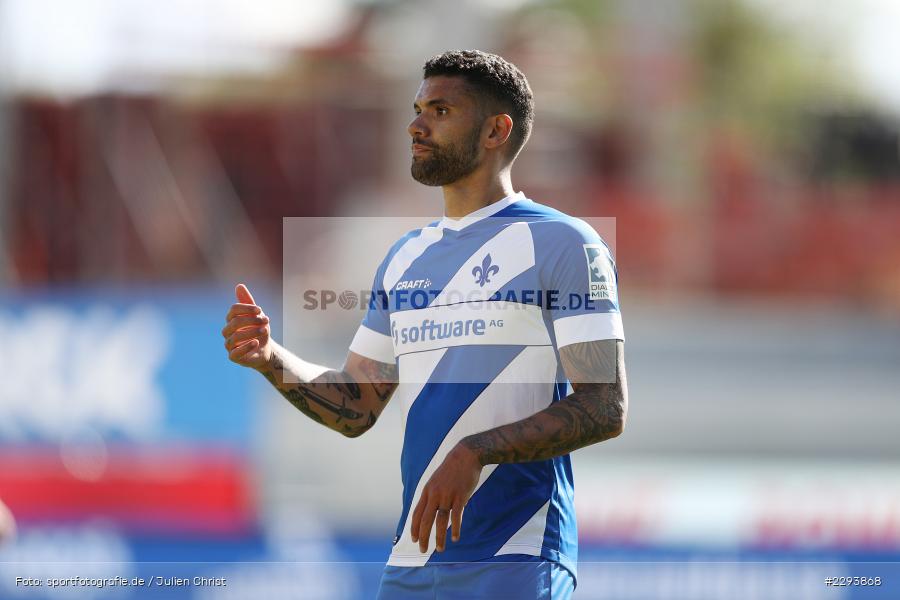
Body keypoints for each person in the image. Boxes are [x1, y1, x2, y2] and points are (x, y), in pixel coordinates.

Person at [222, 50, 627, 599]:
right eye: (417, 109)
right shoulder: (404, 257)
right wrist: (272, 359)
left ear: (495, 130)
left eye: (440, 111)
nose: (415, 125)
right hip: (412, 562)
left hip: (516, 555)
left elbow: (605, 405)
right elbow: (357, 405)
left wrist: (476, 450)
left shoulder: (564, 243)